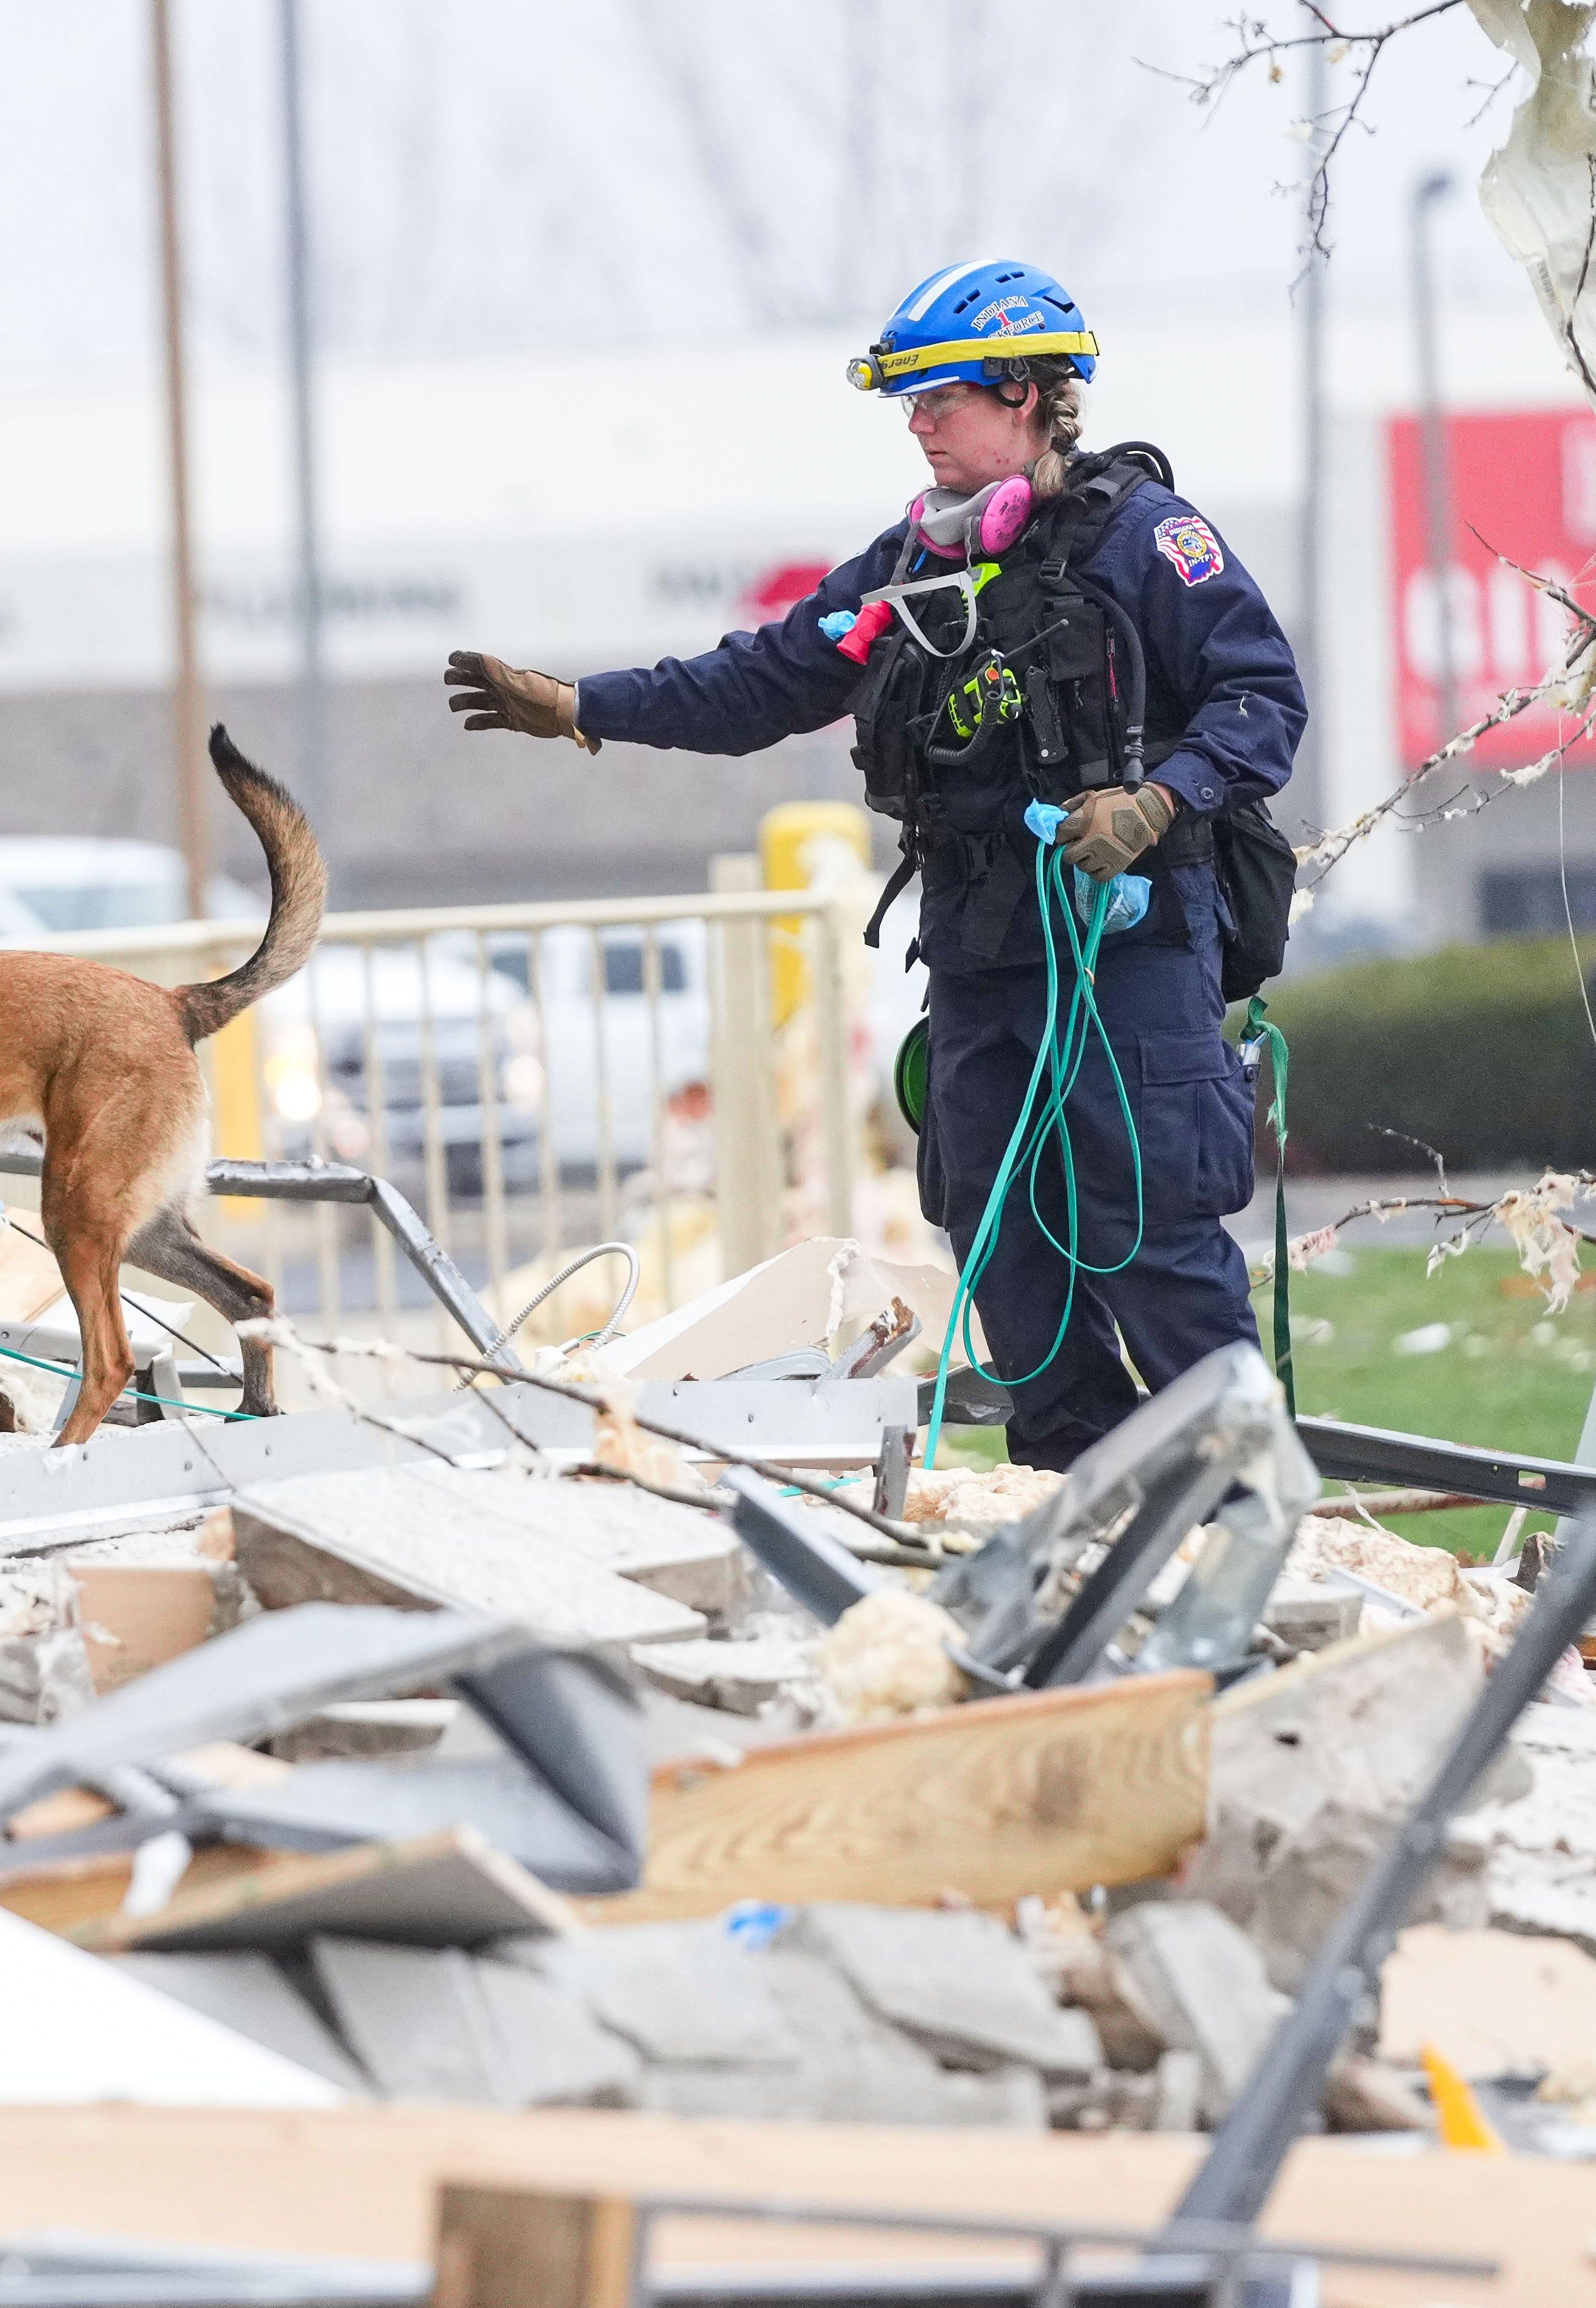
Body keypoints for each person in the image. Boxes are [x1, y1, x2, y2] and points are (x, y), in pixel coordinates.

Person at [442, 259, 1304, 1468]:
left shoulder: (1150, 540)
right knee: (1006, 1253)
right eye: (903, 401)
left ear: (1024, 395)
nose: (916, 425)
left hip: (1130, 955)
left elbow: (1263, 695)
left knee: (1150, 1239)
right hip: (982, 960)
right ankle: (1089, 1513)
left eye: (935, 397)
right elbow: (763, 680)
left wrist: (1160, 800)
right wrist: (586, 705)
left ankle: (1252, 1510)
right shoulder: (912, 566)